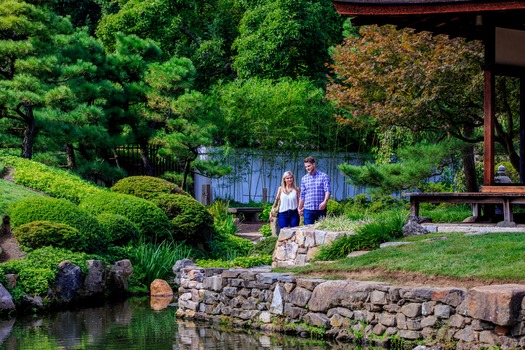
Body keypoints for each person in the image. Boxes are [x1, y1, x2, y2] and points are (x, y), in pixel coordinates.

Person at [298, 156, 331, 225]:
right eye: (306, 167)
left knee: (321, 230)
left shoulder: (323, 176)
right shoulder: (304, 179)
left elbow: (327, 191)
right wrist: (299, 208)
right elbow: (302, 195)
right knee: (307, 231)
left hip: (320, 209)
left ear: (314, 164)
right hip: (308, 209)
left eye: (309, 166)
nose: (307, 168)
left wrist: (325, 201)